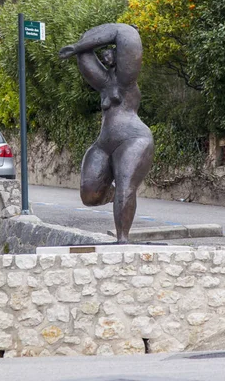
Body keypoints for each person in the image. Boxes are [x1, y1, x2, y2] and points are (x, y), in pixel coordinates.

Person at [59, 23, 154, 243]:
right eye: (105, 52)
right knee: (89, 193)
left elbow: (124, 34)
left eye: (112, 50)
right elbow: (85, 58)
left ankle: (122, 238)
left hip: (133, 138)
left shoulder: (127, 81)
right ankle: (117, 195)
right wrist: (79, 48)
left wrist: (77, 46)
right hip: (105, 142)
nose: (106, 54)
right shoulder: (104, 83)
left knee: (125, 185)